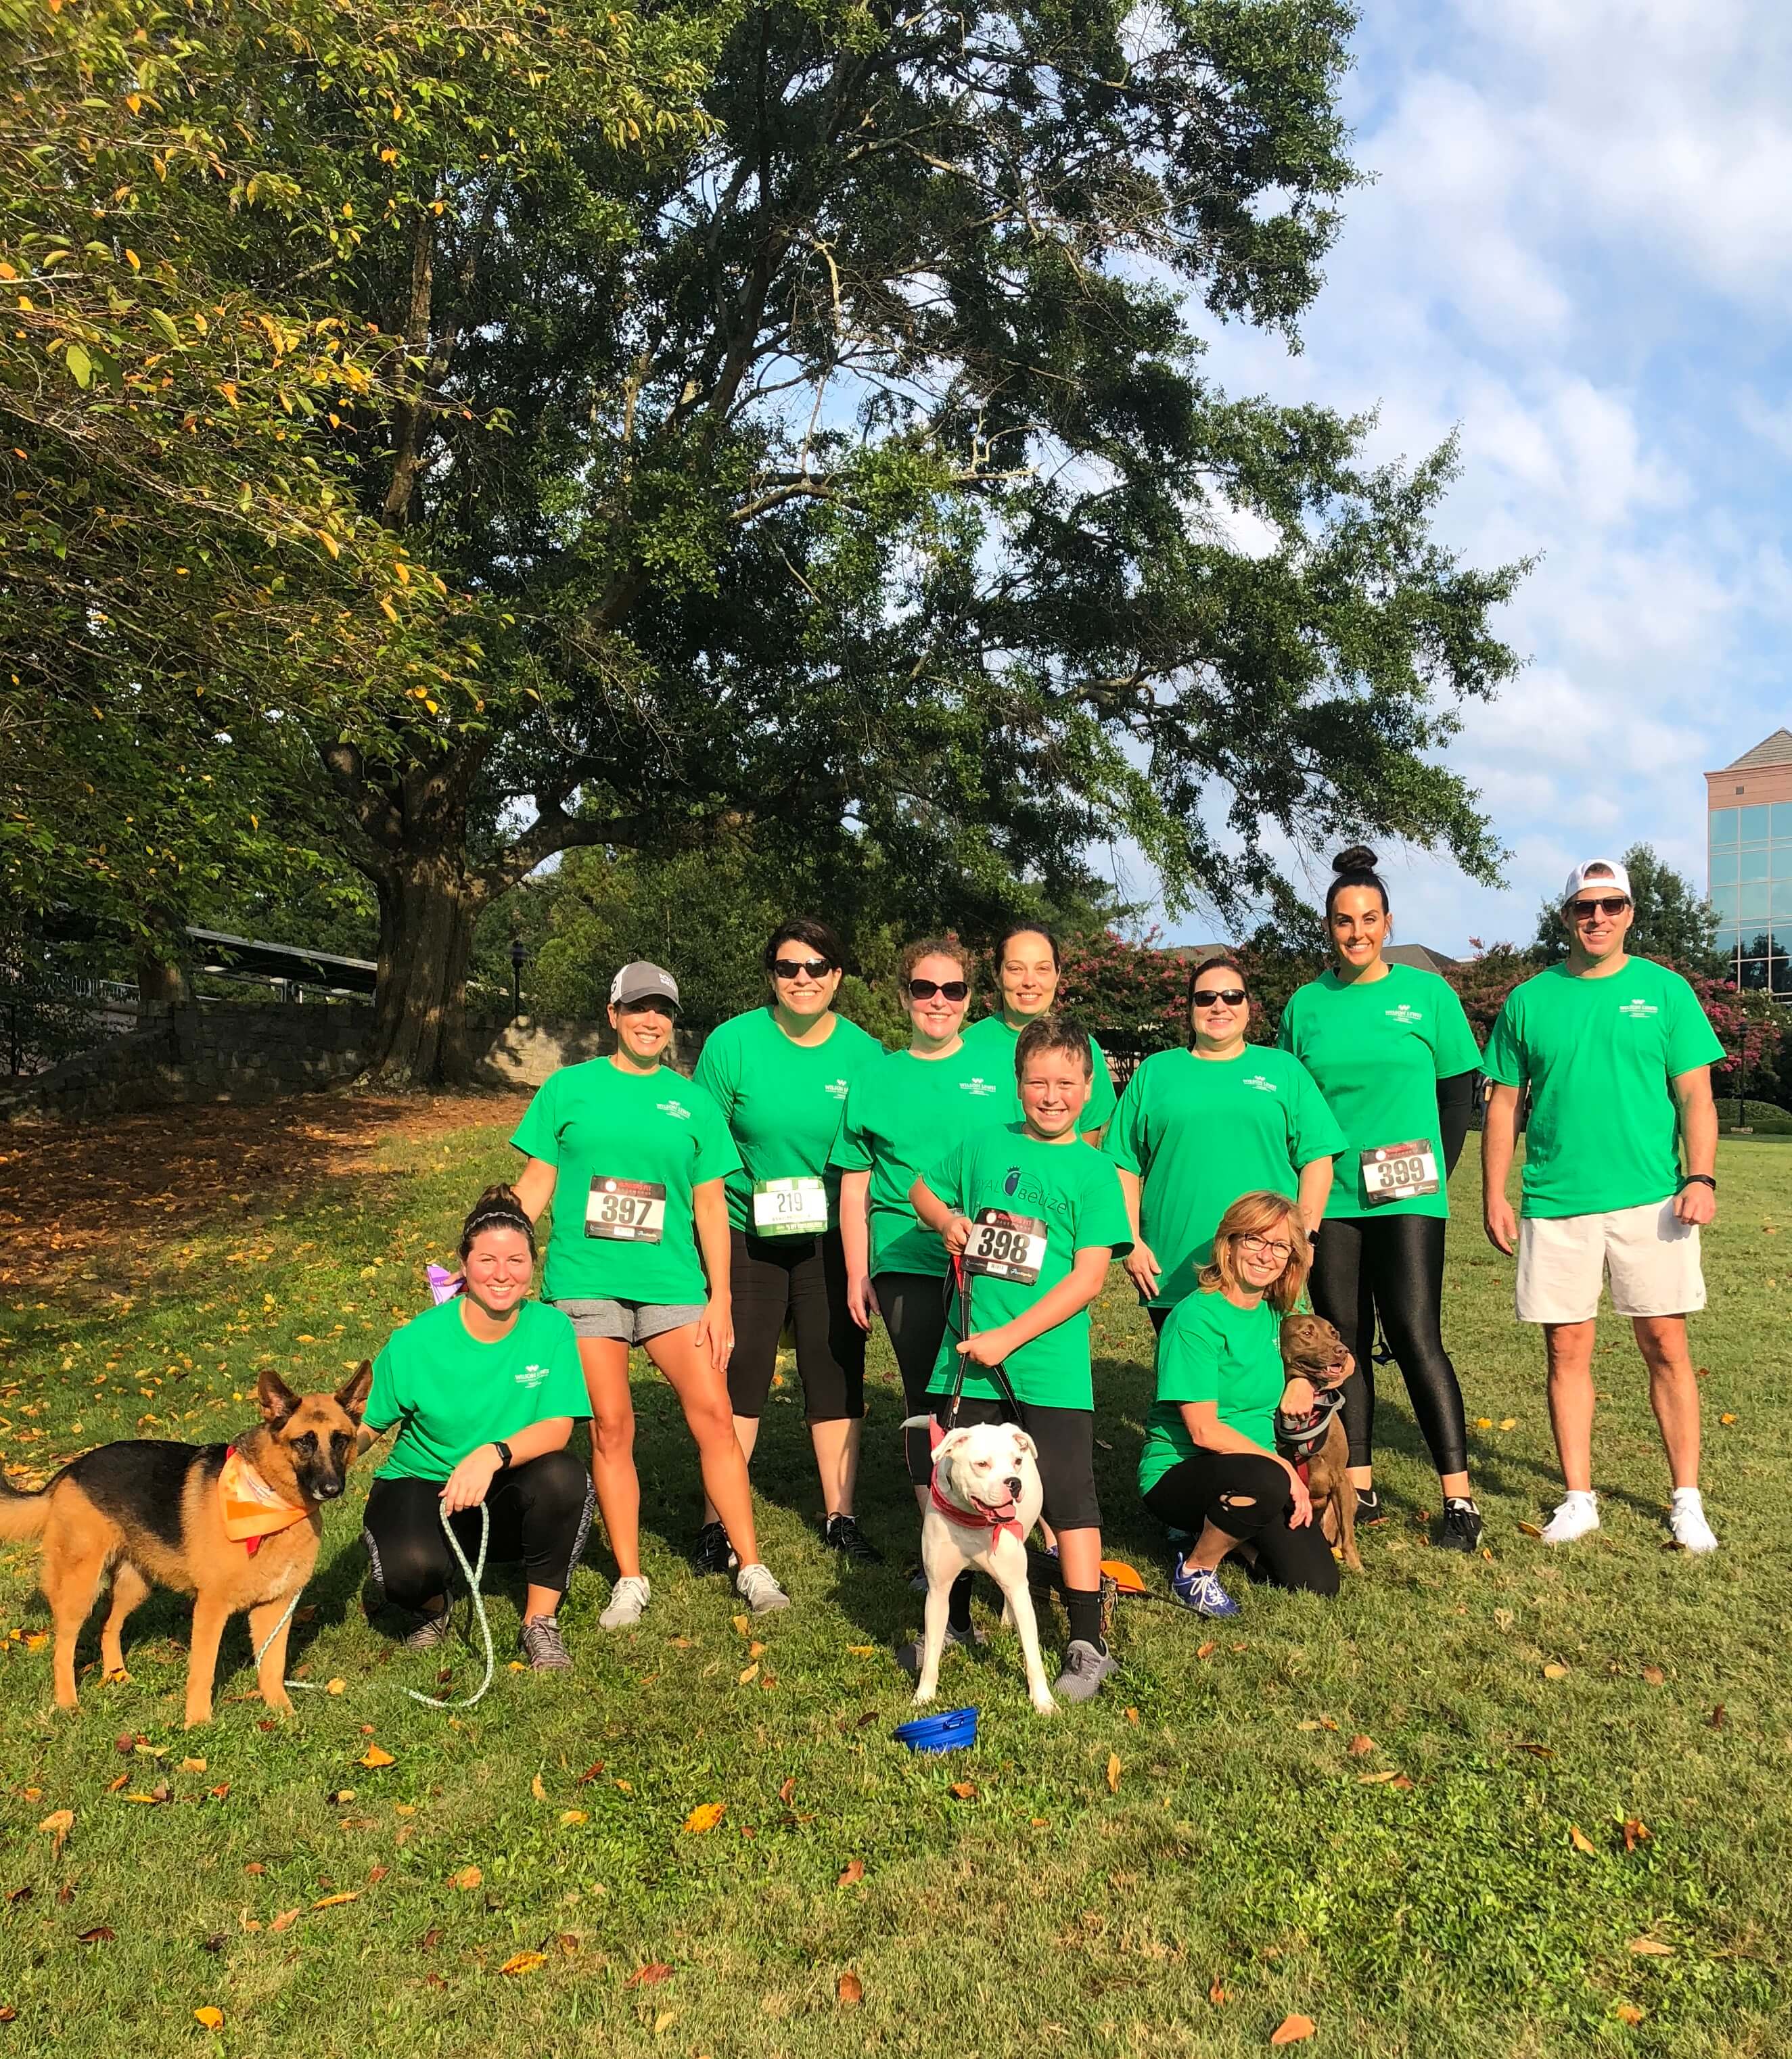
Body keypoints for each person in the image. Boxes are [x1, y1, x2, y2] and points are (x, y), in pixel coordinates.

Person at [509, 962, 790, 1624]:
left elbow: (712, 1207)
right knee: (611, 1428)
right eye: (637, 1007)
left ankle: (751, 1564)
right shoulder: (568, 1088)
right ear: (612, 1014)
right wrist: (494, 1251)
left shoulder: (694, 1103)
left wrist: (721, 1298)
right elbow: (537, 1183)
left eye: (662, 1009)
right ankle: (629, 1578)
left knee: (715, 1416)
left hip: (672, 1285)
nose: (651, 1020)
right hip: (585, 1282)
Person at [1482, 858, 1724, 1553]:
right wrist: (1494, 1193)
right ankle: (1578, 1498)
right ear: (1566, 916)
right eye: (1585, 907)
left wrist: (1701, 1177)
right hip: (1556, 1201)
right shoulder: (1529, 1000)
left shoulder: (1665, 991)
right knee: (1565, 1348)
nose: (1598, 917)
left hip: (1653, 1201)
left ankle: (1686, 1501)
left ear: (1629, 913)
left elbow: (1695, 1095)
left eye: (1611, 905)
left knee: (1666, 1345)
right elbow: (1503, 1104)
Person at [908, 1015, 1134, 1703]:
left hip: (1049, 1364)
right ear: (1018, 1083)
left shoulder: (1094, 1172)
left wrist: (1011, 1337)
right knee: (958, 1486)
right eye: (1038, 1081)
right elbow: (922, 1189)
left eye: (1066, 1082)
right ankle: (955, 1618)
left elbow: (1088, 1278)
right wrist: (945, 1220)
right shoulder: (985, 1143)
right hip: (969, 1356)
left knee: (1067, 1494)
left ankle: (1087, 1641)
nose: (1052, 1095)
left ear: (1089, 1088)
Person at [1277, 847, 1486, 1548]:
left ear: (1387, 922)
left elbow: (1457, 1093)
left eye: (1369, 919)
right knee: (1343, 1343)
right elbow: (1292, 1105)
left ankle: (1458, 1499)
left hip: (1408, 1192)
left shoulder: (1428, 994)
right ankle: (1358, 1485)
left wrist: (1439, 1172)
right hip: (1331, 1196)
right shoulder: (1305, 1005)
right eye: (1344, 920)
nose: (1356, 932)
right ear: (1328, 927)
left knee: (1415, 1334)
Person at [692, 919, 886, 1567]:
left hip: (831, 1235)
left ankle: (840, 1516)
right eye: (787, 968)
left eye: (816, 967)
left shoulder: (864, 1054)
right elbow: (702, 1144)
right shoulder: (732, 1043)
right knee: (739, 1367)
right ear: (771, 975)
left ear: (837, 975)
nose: (802, 979)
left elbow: (879, 1151)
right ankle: (717, 1523)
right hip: (747, 1231)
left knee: (834, 1368)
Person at [359, 1186, 595, 1667]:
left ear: (533, 1264)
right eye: (487, 1260)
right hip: (424, 1483)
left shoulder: (551, 1329)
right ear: (463, 1264)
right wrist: (310, 1463)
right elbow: (362, 1428)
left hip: (507, 1485)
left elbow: (557, 1427)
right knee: (406, 1571)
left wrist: (492, 1455)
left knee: (564, 1475)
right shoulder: (416, 1340)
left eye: (516, 1260)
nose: (502, 1274)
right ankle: (432, 1606)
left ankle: (539, 1623)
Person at [1105, 949, 1344, 1328]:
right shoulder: (1155, 1072)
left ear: (1248, 1008)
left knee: (1267, 1366)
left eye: (1232, 996)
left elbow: (1317, 1158)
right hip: (1174, 1265)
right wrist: (1132, 1241)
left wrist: (1305, 1238)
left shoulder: (1283, 1070)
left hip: (1267, 1264)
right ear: (1190, 1009)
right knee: (1184, 1365)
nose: (1220, 1006)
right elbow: (1123, 1162)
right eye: (1206, 998)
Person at [833, 938, 1011, 1433]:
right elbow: (854, 1187)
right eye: (923, 988)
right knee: (927, 1397)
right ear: (903, 996)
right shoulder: (874, 1079)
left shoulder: (1002, 1072)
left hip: (988, 1253)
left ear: (968, 999)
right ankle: (930, 1486)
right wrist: (856, 1272)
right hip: (904, 1255)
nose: (939, 1001)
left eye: (952, 989)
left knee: (987, 1396)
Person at [1138, 1190, 1342, 1615]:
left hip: (1258, 1472)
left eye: (1280, 1246)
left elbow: (1344, 1362)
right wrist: (1284, 1468)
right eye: (1254, 1239)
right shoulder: (1196, 1318)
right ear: (1228, 1244)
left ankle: (1235, 1535)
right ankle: (1196, 1569)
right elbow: (1203, 1431)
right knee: (1264, 1479)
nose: (1267, 1255)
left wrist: (1303, 1381)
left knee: (1316, 1581)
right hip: (1183, 1470)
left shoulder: (1279, 1313)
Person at [960, 925, 1116, 1140]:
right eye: (1016, 969)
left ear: (1057, 974)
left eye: (1042, 969)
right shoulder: (965, 1047)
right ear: (997, 975)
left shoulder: (1082, 1047)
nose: (1029, 982)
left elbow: (1089, 1132)